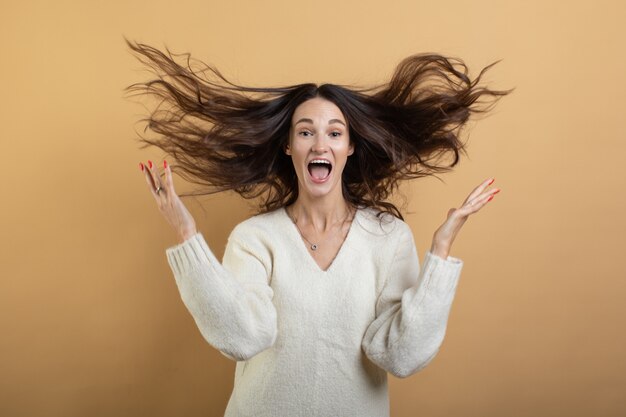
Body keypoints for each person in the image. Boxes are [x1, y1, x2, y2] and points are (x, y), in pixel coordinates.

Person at [129, 41, 508, 417]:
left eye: (334, 133)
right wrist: (186, 236)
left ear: (350, 147)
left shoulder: (388, 238)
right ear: (289, 147)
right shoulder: (255, 238)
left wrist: (440, 252)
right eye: (306, 132)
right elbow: (243, 337)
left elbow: (402, 355)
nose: (319, 144)